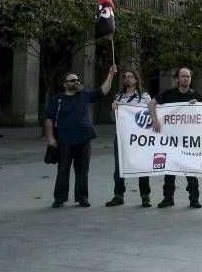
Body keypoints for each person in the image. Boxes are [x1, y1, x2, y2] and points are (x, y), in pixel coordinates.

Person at [45, 65, 118, 208]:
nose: (76, 82)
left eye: (77, 80)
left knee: (82, 170)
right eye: (72, 81)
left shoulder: (84, 95)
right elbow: (49, 119)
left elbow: (103, 90)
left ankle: (82, 197)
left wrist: (110, 75)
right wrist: (50, 138)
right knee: (63, 170)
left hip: (83, 140)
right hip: (64, 140)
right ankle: (60, 198)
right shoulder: (57, 99)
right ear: (65, 84)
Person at [149, 67, 202, 208]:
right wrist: (155, 120)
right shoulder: (169, 94)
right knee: (169, 169)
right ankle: (168, 198)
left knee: (191, 170)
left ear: (191, 79)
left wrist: (198, 105)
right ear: (177, 78)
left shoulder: (195, 95)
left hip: (189, 140)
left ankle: (194, 198)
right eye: (182, 76)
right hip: (171, 140)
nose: (185, 78)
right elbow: (151, 103)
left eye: (188, 76)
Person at [106, 70, 152, 208]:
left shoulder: (145, 97)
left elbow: (151, 114)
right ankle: (118, 195)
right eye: (125, 77)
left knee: (142, 166)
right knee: (119, 167)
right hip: (121, 137)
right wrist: (113, 109)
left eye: (131, 77)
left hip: (140, 138)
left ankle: (145, 196)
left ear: (137, 80)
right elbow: (113, 119)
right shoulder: (118, 97)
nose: (128, 79)